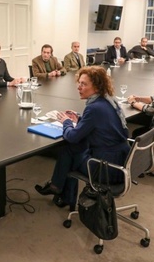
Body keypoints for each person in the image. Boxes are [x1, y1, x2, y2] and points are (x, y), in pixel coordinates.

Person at [35, 66, 130, 208]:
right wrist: (80, 118)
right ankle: (59, 191)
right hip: (121, 160)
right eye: (79, 83)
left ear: (97, 86)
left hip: (108, 169)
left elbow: (72, 136)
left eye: (84, 84)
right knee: (71, 149)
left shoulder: (94, 108)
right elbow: (100, 124)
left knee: (70, 151)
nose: (79, 87)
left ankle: (61, 191)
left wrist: (66, 122)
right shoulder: (109, 100)